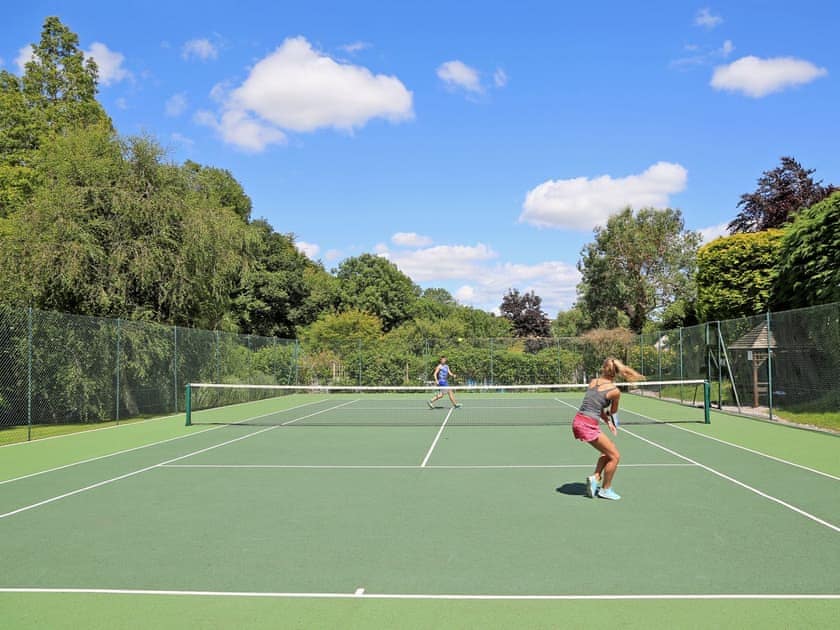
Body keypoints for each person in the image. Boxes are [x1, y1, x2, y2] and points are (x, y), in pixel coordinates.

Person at [572, 357, 643, 501]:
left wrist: (607, 421)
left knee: (609, 449)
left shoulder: (593, 382)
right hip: (587, 425)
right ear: (616, 372)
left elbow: (595, 405)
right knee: (615, 456)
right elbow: (613, 411)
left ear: (603, 368)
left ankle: (596, 477)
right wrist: (610, 417)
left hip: (579, 420)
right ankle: (605, 489)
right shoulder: (615, 392)